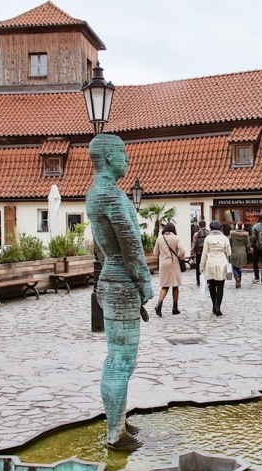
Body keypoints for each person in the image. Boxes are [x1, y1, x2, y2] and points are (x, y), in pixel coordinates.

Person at [86, 133, 154, 450]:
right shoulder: (109, 195)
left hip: (112, 279)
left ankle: (118, 418)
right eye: (123, 154)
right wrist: (144, 283)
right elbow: (130, 245)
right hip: (121, 281)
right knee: (120, 361)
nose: (128, 159)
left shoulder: (98, 193)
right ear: (110, 157)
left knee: (120, 359)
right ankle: (116, 433)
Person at [153, 222, 187, 316]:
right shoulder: (176, 238)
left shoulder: (160, 238)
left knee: (165, 285)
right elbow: (183, 251)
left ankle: (159, 304)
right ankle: (175, 308)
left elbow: (155, 252)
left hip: (163, 264)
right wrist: (180, 257)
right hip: (174, 263)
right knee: (175, 285)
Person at [200, 220, 231, 316]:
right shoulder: (225, 238)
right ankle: (218, 307)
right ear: (220, 228)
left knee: (212, 285)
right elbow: (229, 252)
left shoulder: (208, 238)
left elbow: (204, 253)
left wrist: (201, 266)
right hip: (221, 262)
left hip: (210, 262)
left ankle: (214, 304)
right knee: (220, 285)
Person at [228, 221, 250, 288]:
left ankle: (236, 276)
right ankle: (239, 278)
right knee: (240, 267)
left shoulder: (232, 235)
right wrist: (246, 251)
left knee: (234, 266)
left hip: (234, 252)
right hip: (242, 253)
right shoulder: (245, 236)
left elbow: (228, 243)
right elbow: (248, 245)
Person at [191, 219, 209, 286]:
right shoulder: (208, 233)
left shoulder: (196, 234)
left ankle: (198, 281)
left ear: (199, 226)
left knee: (198, 266)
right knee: (207, 266)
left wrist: (192, 254)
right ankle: (208, 280)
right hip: (207, 253)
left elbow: (194, 244)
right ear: (205, 225)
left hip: (198, 252)